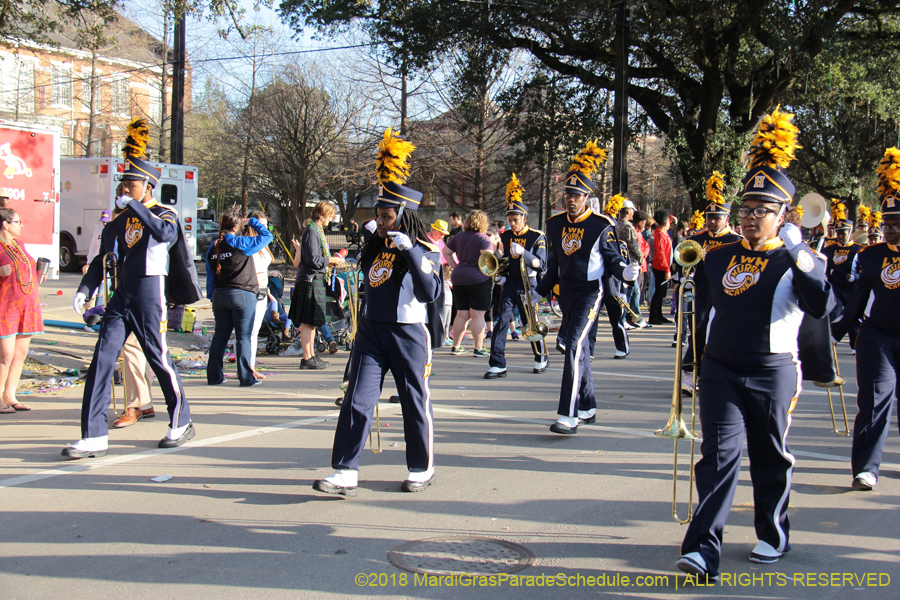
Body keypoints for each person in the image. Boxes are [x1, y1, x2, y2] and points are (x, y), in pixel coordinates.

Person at [676, 108, 832, 579]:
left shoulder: (795, 258)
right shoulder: (717, 256)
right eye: (745, 209)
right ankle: (703, 548)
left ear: (783, 214)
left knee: (768, 456)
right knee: (718, 455)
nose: (749, 218)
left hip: (772, 369)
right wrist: (691, 362)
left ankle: (772, 531)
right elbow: (703, 313)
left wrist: (801, 249)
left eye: (761, 211)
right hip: (721, 367)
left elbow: (821, 305)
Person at [313, 128, 443, 496]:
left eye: (387, 216)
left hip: (408, 334)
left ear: (403, 214)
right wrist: (373, 237)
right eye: (379, 214)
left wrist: (412, 253)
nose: (381, 221)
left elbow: (430, 292)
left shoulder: (423, 248)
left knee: (414, 401)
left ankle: (422, 466)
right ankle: (345, 470)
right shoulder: (377, 242)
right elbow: (359, 265)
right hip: (372, 331)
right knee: (357, 398)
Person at [66, 118, 202, 458]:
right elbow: (101, 259)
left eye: (131, 183)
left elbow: (165, 235)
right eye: (123, 183)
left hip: (148, 293)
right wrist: (86, 288)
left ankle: (181, 420)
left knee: (158, 357)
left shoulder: (163, 213)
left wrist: (136, 207)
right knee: (102, 360)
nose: (123, 188)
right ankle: (94, 434)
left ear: (147, 186)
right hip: (120, 295)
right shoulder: (117, 219)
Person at [535, 141, 639, 435]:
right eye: (568, 194)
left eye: (577, 195)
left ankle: (568, 415)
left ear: (587, 197)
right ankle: (588, 405)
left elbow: (613, 259)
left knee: (572, 346)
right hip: (565, 293)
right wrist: (540, 291)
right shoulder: (554, 225)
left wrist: (626, 273)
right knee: (578, 350)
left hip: (590, 292)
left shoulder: (600, 225)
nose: (571, 199)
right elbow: (554, 262)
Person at [832, 147, 900, 492]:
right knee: (873, 401)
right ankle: (865, 469)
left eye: (897, 224)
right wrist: (833, 333)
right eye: (887, 224)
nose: (890, 230)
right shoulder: (870, 256)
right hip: (878, 337)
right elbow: (857, 302)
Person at [680, 172, 742, 392]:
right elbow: (683, 260)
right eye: (709, 217)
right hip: (702, 290)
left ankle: (706, 372)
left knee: (714, 331)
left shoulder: (736, 241)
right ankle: (689, 372)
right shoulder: (698, 238)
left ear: (727, 218)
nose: (712, 222)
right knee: (697, 329)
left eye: (717, 218)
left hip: (726, 292)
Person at [484, 173, 548, 379]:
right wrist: (500, 275)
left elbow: (541, 264)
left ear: (524, 218)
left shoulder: (537, 236)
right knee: (501, 321)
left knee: (530, 323)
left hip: (528, 284)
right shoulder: (506, 235)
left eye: (516, 219)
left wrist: (524, 253)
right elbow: (503, 257)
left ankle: (540, 356)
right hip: (510, 283)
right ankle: (497, 362)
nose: (512, 223)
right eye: (510, 220)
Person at [206, 212, 273, 387]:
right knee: (243, 337)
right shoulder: (240, 243)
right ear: (236, 228)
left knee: (220, 336)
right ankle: (246, 377)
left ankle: (214, 376)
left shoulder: (213, 246)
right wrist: (252, 222)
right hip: (241, 293)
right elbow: (267, 236)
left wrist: (211, 295)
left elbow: (209, 274)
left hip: (219, 294)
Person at [289, 201, 345, 369]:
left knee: (312, 322)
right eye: (330, 215)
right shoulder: (311, 231)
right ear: (322, 214)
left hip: (316, 279)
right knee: (308, 322)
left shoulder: (316, 230)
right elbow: (313, 260)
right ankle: (306, 358)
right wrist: (331, 260)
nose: (332, 218)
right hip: (310, 280)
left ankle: (312, 355)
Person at [0, 207, 43, 413]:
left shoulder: (19, 244)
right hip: (5, 307)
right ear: (5, 225)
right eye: (17, 222)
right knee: (5, 355)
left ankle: (10, 395)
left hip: (27, 305)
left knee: (20, 353)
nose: (21, 225)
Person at [443, 210, 493, 356]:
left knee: (461, 314)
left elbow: (446, 252)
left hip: (459, 277)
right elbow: (487, 259)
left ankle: (456, 346)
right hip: (479, 278)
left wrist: (455, 266)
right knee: (478, 315)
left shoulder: (458, 236)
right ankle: (478, 348)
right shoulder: (483, 238)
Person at [821, 205, 861, 353]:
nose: (840, 236)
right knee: (834, 313)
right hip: (835, 287)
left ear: (850, 233)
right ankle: (831, 343)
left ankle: (854, 345)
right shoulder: (829, 249)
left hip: (852, 288)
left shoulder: (858, 250)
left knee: (853, 316)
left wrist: (855, 277)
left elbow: (864, 272)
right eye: (838, 233)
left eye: (843, 233)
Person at [244, 211, 274, 379]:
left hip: (263, 291)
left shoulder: (263, 243)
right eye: (259, 225)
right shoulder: (248, 243)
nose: (263, 228)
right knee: (247, 332)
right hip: (251, 290)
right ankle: (247, 367)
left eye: (265, 225)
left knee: (254, 331)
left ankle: (251, 365)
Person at [649, 210, 672, 324]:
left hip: (663, 265)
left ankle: (659, 314)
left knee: (661, 292)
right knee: (659, 293)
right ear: (665, 222)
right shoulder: (659, 234)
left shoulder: (662, 232)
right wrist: (667, 269)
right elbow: (661, 253)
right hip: (661, 267)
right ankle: (653, 316)